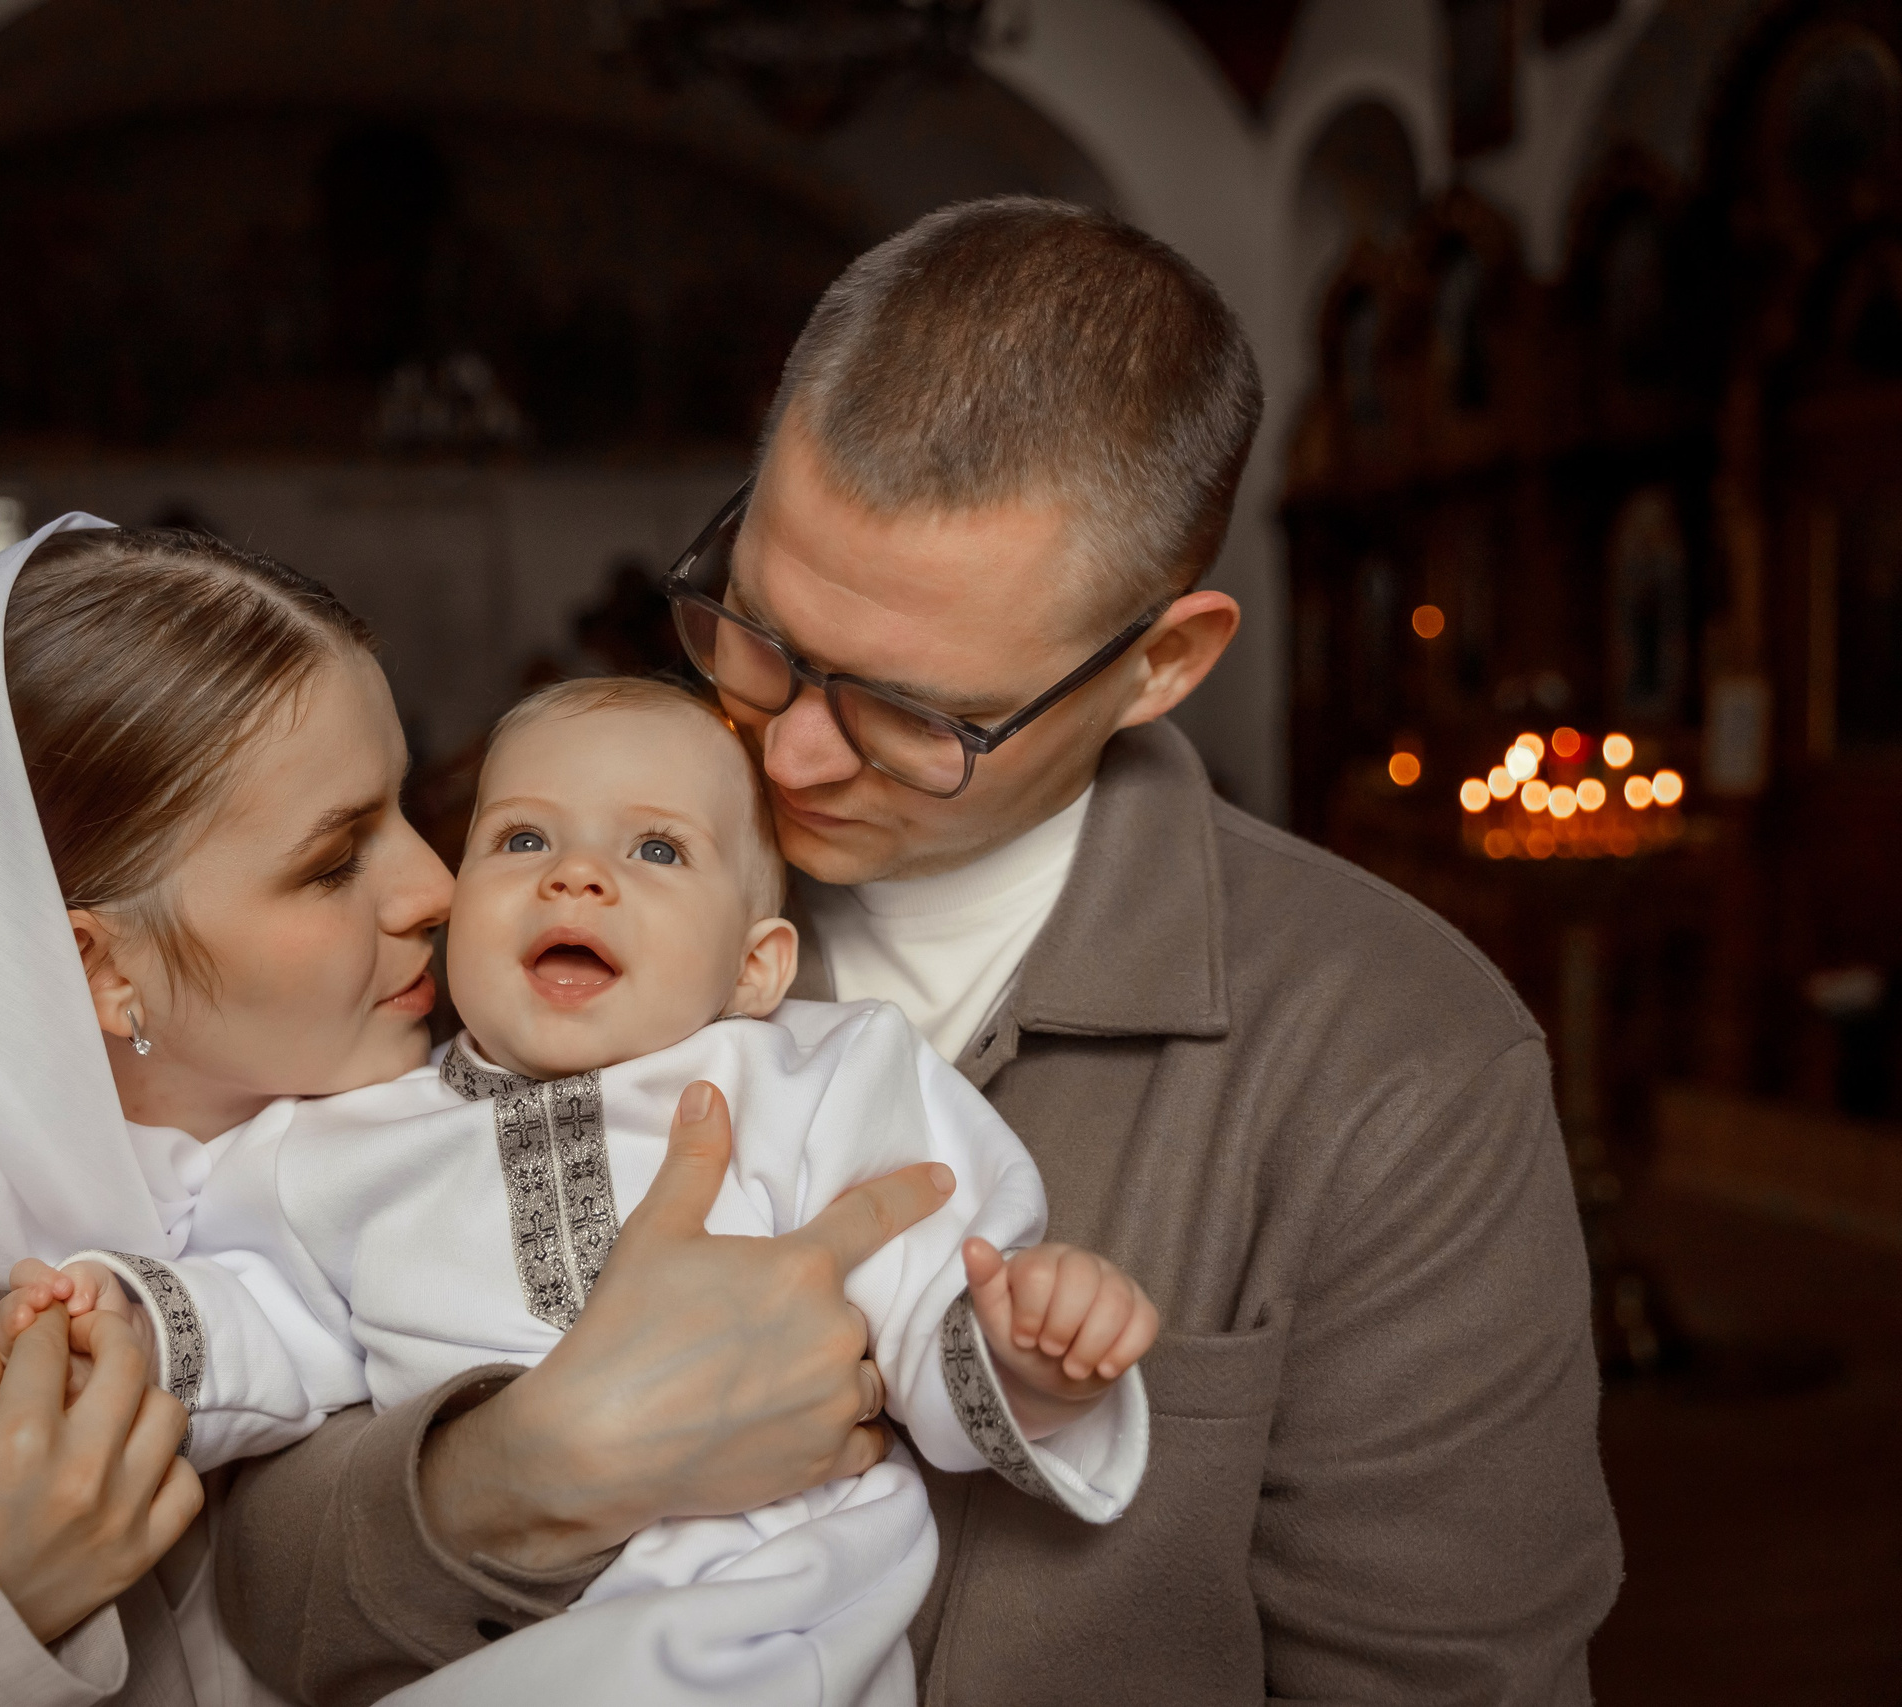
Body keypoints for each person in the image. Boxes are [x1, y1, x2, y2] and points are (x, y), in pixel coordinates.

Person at [210, 198, 1624, 1705]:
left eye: (917, 712)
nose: (795, 751)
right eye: (753, 626)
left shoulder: (1394, 1058)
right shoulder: (528, 905)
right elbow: (249, 1583)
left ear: (1162, 663)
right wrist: (530, 1467)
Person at [0, 521, 965, 1705]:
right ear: (98, 970)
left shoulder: (447, 1118)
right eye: (331, 856)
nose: (433, 887)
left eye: (410, 817)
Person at [3, 676, 1158, 1704]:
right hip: (476, 1634)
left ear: (756, 967)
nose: (576, 875)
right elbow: (268, 1315)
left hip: (763, 1603)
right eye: (519, 841)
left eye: (655, 852)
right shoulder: (331, 1146)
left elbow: (927, 1272)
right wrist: (142, 1325)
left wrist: (1020, 1358)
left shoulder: (815, 1076)